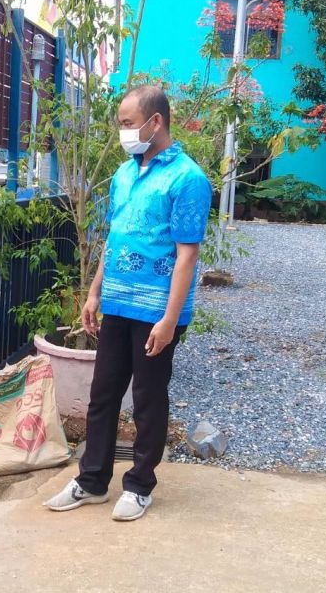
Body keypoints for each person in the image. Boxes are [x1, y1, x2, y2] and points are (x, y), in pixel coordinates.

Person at [45, 85, 212, 521]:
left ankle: (139, 486)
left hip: (157, 310)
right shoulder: (123, 174)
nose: (123, 132)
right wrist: (94, 292)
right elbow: (113, 238)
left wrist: (170, 320)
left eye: (127, 123)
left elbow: (187, 255)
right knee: (102, 395)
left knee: (148, 399)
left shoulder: (188, 179)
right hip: (117, 302)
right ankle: (92, 481)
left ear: (155, 122)